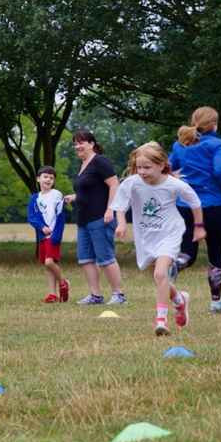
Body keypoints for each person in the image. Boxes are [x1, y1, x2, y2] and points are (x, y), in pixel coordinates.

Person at [112, 142, 205, 336]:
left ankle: (161, 320)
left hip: (170, 233)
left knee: (161, 274)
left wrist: (198, 226)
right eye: (139, 167)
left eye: (147, 167)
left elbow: (195, 202)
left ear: (162, 165)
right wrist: (121, 224)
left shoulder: (174, 184)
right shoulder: (132, 183)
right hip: (146, 236)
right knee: (158, 277)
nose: (142, 171)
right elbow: (120, 205)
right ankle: (179, 299)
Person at [168, 106, 221, 314]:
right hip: (213, 205)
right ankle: (216, 301)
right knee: (215, 252)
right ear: (215, 124)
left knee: (187, 252)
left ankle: (174, 268)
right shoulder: (217, 144)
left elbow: (168, 168)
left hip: (185, 206)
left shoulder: (180, 144)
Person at [63, 129, 126, 305]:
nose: (77, 146)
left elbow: (114, 184)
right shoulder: (83, 165)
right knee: (85, 259)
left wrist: (110, 210)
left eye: (81, 142)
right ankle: (95, 296)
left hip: (100, 218)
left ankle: (119, 295)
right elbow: (91, 190)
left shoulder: (100, 161)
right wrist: (74, 197)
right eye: (75, 143)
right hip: (83, 219)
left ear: (91, 143)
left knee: (105, 258)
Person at [27, 165, 70, 303]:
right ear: (38, 179)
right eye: (45, 177)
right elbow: (31, 217)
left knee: (49, 262)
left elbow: (60, 216)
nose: (48, 180)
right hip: (42, 236)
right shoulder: (35, 198)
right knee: (47, 265)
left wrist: (57, 234)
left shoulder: (56, 195)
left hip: (53, 235)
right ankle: (52, 294)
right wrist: (41, 227)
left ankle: (63, 282)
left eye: (51, 178)